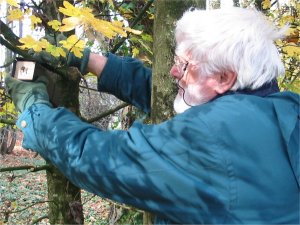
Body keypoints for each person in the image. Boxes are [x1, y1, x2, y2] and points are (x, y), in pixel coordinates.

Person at [5, 7, 299, 224]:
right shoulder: (282, 109)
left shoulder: (212, 139)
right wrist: (90, 60)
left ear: (224, 77)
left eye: (184, 65)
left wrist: (34, 110)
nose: (173, 72)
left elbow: (100, 158)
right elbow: (170, 96)